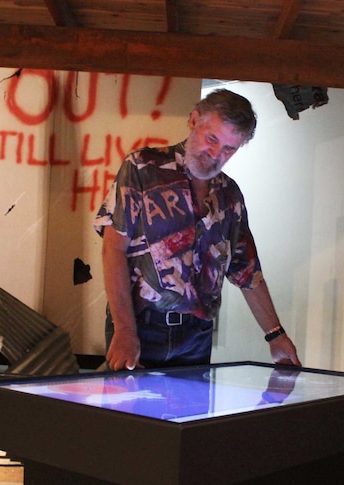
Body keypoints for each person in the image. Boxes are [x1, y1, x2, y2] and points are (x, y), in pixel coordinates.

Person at [94, 88, 301, 371]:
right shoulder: (142, 168)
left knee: (190, 415)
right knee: (130, 414)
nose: (216, 154)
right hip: (141, 327)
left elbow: (247, 273)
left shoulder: (230, 197)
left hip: (197, 335)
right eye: (212, 138)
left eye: (229, 148)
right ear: (194, 121)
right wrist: (125, 330)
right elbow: (112, 249)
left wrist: (276, 335)